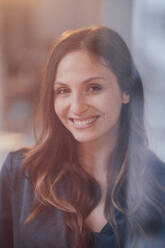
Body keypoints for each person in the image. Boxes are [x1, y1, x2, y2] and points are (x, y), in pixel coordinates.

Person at [0, 25, 165, 248]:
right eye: (63, 91)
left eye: (93, 88)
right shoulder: (20, 174)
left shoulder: (159, 185)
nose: (76, 108)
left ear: (126, 90)